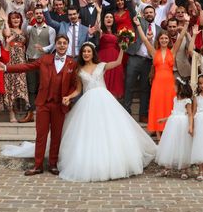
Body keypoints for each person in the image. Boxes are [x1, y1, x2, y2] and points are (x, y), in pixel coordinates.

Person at [57, 43, 157, 182]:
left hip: (104, 100)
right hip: (88, 103)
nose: (86, 53)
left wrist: (122, 49)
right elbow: (79, 90)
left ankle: (116, 162)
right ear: (82, 54)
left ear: (93, 53)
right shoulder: (79, 71)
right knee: (90, 132)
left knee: (110, 129)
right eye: (84, 51)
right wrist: (69, 96)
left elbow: (117, 62)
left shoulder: (101, 66)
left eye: (88, 51)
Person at [0, 34, 79, 176]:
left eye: (64, 43)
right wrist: (7, 68)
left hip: (59, 105)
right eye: (59, 43)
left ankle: (53, 164)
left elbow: (74, 84)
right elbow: (27, 66)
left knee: (56, 136)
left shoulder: (72, 63)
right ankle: (38, 165)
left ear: (68, 45)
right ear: (55, 45)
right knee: (41, 135)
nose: (62, 45)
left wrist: (68, 97)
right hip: (44, 103)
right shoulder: (45, 59)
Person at [134, 16, 188, 140]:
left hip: (169, 84)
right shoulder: (154, 52)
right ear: (159, 40)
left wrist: (186, 24)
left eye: (166, 38)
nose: (164, 40)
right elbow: (144, 39)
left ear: (169, 40)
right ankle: (159, 137)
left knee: (169, 107)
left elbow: (180, 38)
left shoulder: (172, 51)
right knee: (157, 107)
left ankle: (170, 135)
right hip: (157, 84)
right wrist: (138, 26)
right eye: (162, 38)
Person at [125, 5, 161, 122]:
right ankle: (126, 112)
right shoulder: (139, 24)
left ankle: (143, 115)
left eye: (151, 12)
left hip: (149, 62)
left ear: (155, 14)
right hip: (135, 58)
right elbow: (132, 13)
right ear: (144, 15)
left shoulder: (159, 29)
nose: (149, 14)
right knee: (129, 85)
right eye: (147, 13)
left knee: (145, 89)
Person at [20, 6, 55, 123]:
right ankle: (30, 113)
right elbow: (23, 30)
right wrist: (26, 19)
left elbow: (53, 45)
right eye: (37, 13)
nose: (39, 15)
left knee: (43, 86)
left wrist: (43, 49)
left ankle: (42, 112)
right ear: (35, 15)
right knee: (31, 87)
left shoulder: (50, 30)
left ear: (43, 15)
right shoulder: (30, 28)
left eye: (41, 13)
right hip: (31, 61)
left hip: (44, 62)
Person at [155, 77, 194, 178]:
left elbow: (190, 114)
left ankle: (184, 169)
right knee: (170, 144)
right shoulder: (175, 99)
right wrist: (164, 119)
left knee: (182, 145)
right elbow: (174, 113)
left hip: (183, 124)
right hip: (173, 124)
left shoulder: (187, 101)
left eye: (175, 86)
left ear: (180, 87)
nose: (174, 87)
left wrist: (190, 126)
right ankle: (166, 169)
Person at [1, 11, 30, 123]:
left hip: (21, 60)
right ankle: (11, 114)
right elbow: (7, 34)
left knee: (21, 86)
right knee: (11, 86)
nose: (16, 20)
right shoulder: (7, 29)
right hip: (10, 60)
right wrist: (5, 21)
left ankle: (23, 112)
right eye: (13, 18)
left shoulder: (24, 31)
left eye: (17, 18)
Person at [97, 10, 125, 99]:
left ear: (113, 20)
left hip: (115, 60)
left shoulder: (117, 33)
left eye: (111, 17)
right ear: (103, 19)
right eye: (106, 17)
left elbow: (122, 47)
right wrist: (99, 12)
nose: (109, 19)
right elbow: (97, 24)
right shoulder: (100, 31)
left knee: (114, 84)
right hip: (103, 59)